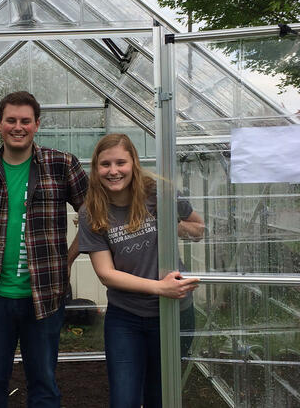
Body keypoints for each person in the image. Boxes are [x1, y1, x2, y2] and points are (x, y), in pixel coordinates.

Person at [0, 91, 89, 407]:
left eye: (25, 120)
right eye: (11, 120)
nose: (18, 126)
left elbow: (93, 214)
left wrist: (68, 259)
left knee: (44, 383)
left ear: (37, 124)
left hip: (45, 296)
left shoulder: (62, 165)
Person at [77, 133, 204, 408]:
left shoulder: (160, 193)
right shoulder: (92, 211)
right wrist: (160, 288)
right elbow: (106, 273)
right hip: (126, 318)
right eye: (105, 164)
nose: (113, 171)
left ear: (133, 162)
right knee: (124, 399)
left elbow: (199, 229)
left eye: (120, 162)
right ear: (96, 169)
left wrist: (174, 225)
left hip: (174, 315)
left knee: (161, 395)